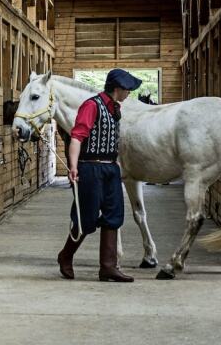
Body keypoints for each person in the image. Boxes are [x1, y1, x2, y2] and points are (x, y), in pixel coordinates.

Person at [57, 69, 142, 282]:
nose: (129, 93)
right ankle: (65, 256)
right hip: (90, 168)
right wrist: (73, 167)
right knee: (86, 218)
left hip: (111, 168)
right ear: (117, 88)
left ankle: (108, 268)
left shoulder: (115, 108)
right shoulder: (91, 105)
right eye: (127, 89)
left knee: (114, 216)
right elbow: (76, 137)